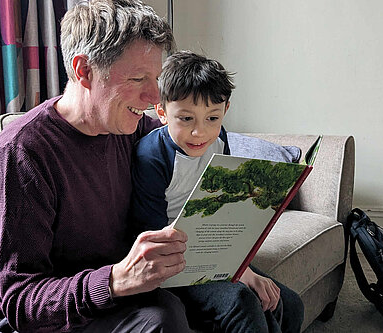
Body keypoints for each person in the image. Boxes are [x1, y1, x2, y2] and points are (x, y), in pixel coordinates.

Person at [0, 1, 192, 332]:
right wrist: (113, 280)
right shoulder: (23, 153)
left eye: (156, 79)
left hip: (118, 292)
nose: (154, 96)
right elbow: (19, 299)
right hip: (49, 317)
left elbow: (191, 146)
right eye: (138, 78)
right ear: (84, 70)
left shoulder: (132, 128)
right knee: (162, 318)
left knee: (262, 298)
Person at [130, 51, 304, 332]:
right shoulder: (153, 156)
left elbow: (223, 202)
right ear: (161, 112)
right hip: (173, 264)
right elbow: (150, 236)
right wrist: (239, 273)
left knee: (289, 304)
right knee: (241, 301)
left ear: (226, 110)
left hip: (215, 249)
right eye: (186, 119)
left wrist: (241, 263)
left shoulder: (219, 138)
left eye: (212, 118)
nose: (200, 132)